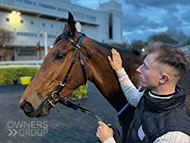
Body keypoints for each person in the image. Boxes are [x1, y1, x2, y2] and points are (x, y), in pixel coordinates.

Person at [96, 41, 190, 143]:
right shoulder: (151, 98)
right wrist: (119, 69)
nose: (138, 69)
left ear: (163, 78)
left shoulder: (174, 137)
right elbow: (133, 97)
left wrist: (108, 140)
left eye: (145, 67)